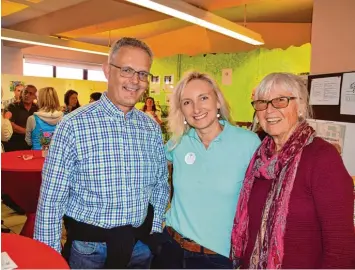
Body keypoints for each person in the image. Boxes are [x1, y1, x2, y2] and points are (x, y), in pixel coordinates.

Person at [34, 37, 170, 269]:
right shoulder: (73, 125)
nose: (135, 81)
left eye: (143, 73)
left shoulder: (150, 128)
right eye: (126, 70)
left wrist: (155, 228)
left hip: (139, 246)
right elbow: (51, 201)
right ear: (107, 70)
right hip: (90, 251)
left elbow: (160, 184)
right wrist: (49, 261)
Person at [231, 72, 355, 269]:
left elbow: (341, 248)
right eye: (262, 102)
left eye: (280, 100)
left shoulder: (323, 158)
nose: (269, 110)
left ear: (301, 107)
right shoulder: (260, 157)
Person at [152, 71, 261, 269]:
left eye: (203, 98)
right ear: (182, 111)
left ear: (217, 101)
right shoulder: (178, 143)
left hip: (216, 257)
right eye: (187, 102)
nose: (196, 108)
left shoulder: (248, 143)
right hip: (170, 249)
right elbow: (148, 169)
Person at [3, 85, 38, 152]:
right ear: (22, 93)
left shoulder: (37, 108)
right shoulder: (12, 106)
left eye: (31, 94)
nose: (27, 95)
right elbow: (10, 125)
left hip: (31, 144)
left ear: (35, 96)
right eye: (25, 92)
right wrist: (28, 132)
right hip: (14, 143)